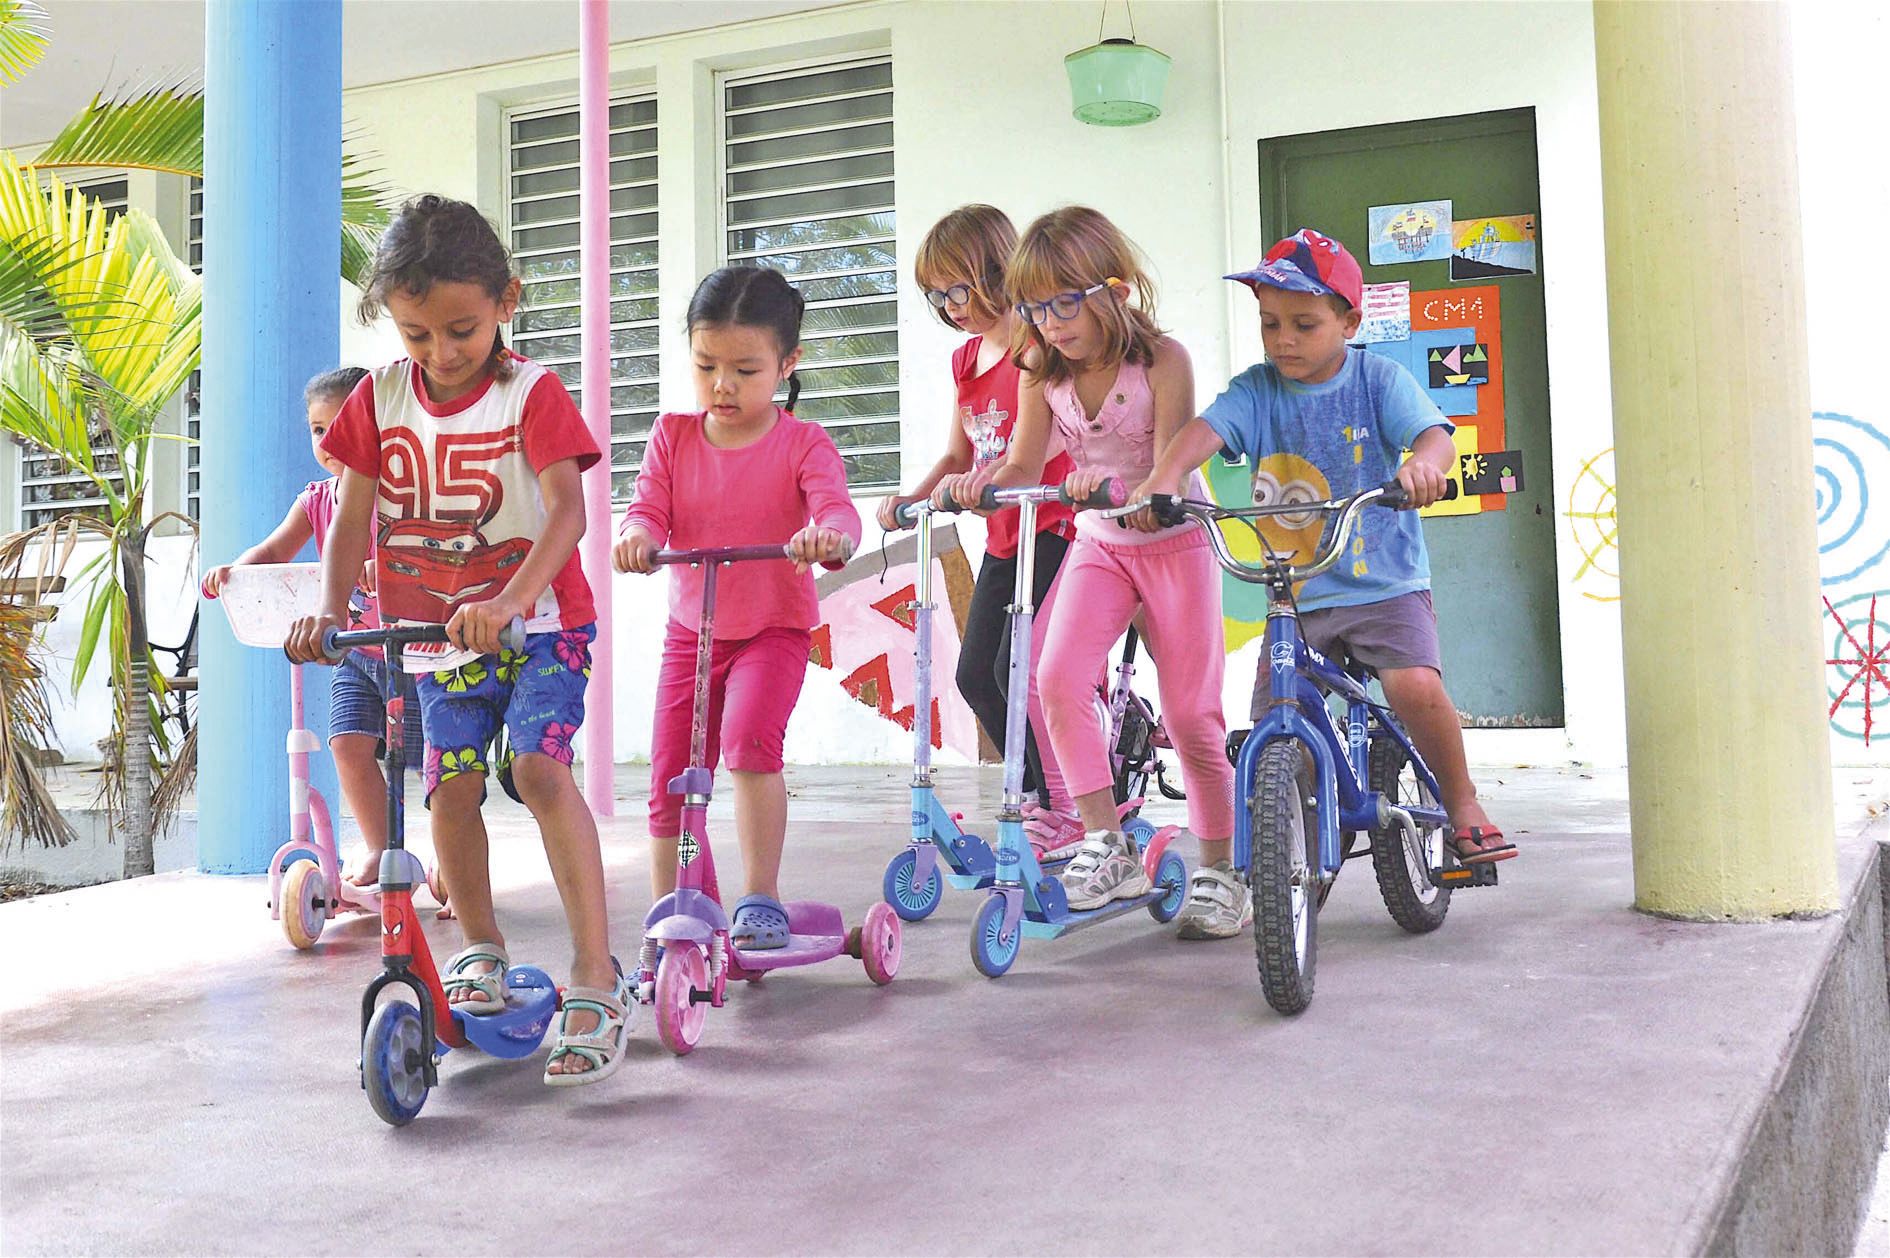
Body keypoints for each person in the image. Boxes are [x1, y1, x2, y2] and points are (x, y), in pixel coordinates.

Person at [284, 195, 629, 1086]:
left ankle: (596, 969)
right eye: (416, 334)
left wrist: (512, 598)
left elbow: (568, 511)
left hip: (542, 623)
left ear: (506, 301)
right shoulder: (380, 397)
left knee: (541, 770)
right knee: (448, 788)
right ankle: (479, 948)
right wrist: (329, 611)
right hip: (438, 636)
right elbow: (352, 515)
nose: (440, 354)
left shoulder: (531, 393)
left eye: (461, 330)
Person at [1137, 226, 1515, 867]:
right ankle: (1296, 835)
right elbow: (1205, 429)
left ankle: (1461, 803)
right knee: (1275, 713)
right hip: (1298, 590)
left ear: (1349, 321)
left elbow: (1434, 437)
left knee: (1414, 686)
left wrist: (1425, 464)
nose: (1283, 338)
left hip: (1382, 584)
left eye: (1304, 323)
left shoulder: (1379, 380)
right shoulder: (1257, 390)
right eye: (1269, 323)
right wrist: (1165, 475)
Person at [963, 205, 1241, 939]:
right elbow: (1024, 463)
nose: (1050, 323)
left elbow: (1173, 462)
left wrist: (1148, 488)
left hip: (1174, 543)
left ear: (1113, 289)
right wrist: (981, 480)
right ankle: (1104, 842)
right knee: (1050, 677)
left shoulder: (1163, 361)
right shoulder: (1039, 371)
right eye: (1034, 308)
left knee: (1191, 717)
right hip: (1101, 545)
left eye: (1065, 302)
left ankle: (1221, 869)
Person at [613, 266, 860, 951]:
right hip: (691, 633)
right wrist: (637, 538)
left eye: (746, 370)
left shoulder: (802, 444)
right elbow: (648, 508)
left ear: (787, 364)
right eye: (706, 365)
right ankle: (679, 912)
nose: (722, 385)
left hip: (773, 631)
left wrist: (829, 536)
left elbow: (835, 509)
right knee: (670, 774)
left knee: (749, 743)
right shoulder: (672, 436)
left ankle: (761, 897)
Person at [877, 205, 1084, 856]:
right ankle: (1033, 795)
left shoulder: (1036, 344)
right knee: (976, 677)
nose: (950, 307)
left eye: (957, 289)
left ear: (998, 270)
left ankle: (1067, 804)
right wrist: (914, 496)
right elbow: (959, 455)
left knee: (1018, 670)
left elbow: (1036, 446)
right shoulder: (967, 359)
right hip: (1004, 539)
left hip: (1056, 528)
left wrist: (990, 479)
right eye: (936, 296)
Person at [202, 367, 426, 891]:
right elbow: (275, 549)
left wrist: (385, 566)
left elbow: (425, 551)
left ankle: (457, 871)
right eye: (319, 429)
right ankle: (380, 849)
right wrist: (235, 572)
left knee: (431, 767)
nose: (330, 441)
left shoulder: (400, 493)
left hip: (412, 651)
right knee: (347, 745)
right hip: (353, 649)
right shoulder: (317, 498)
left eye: (342, 425)